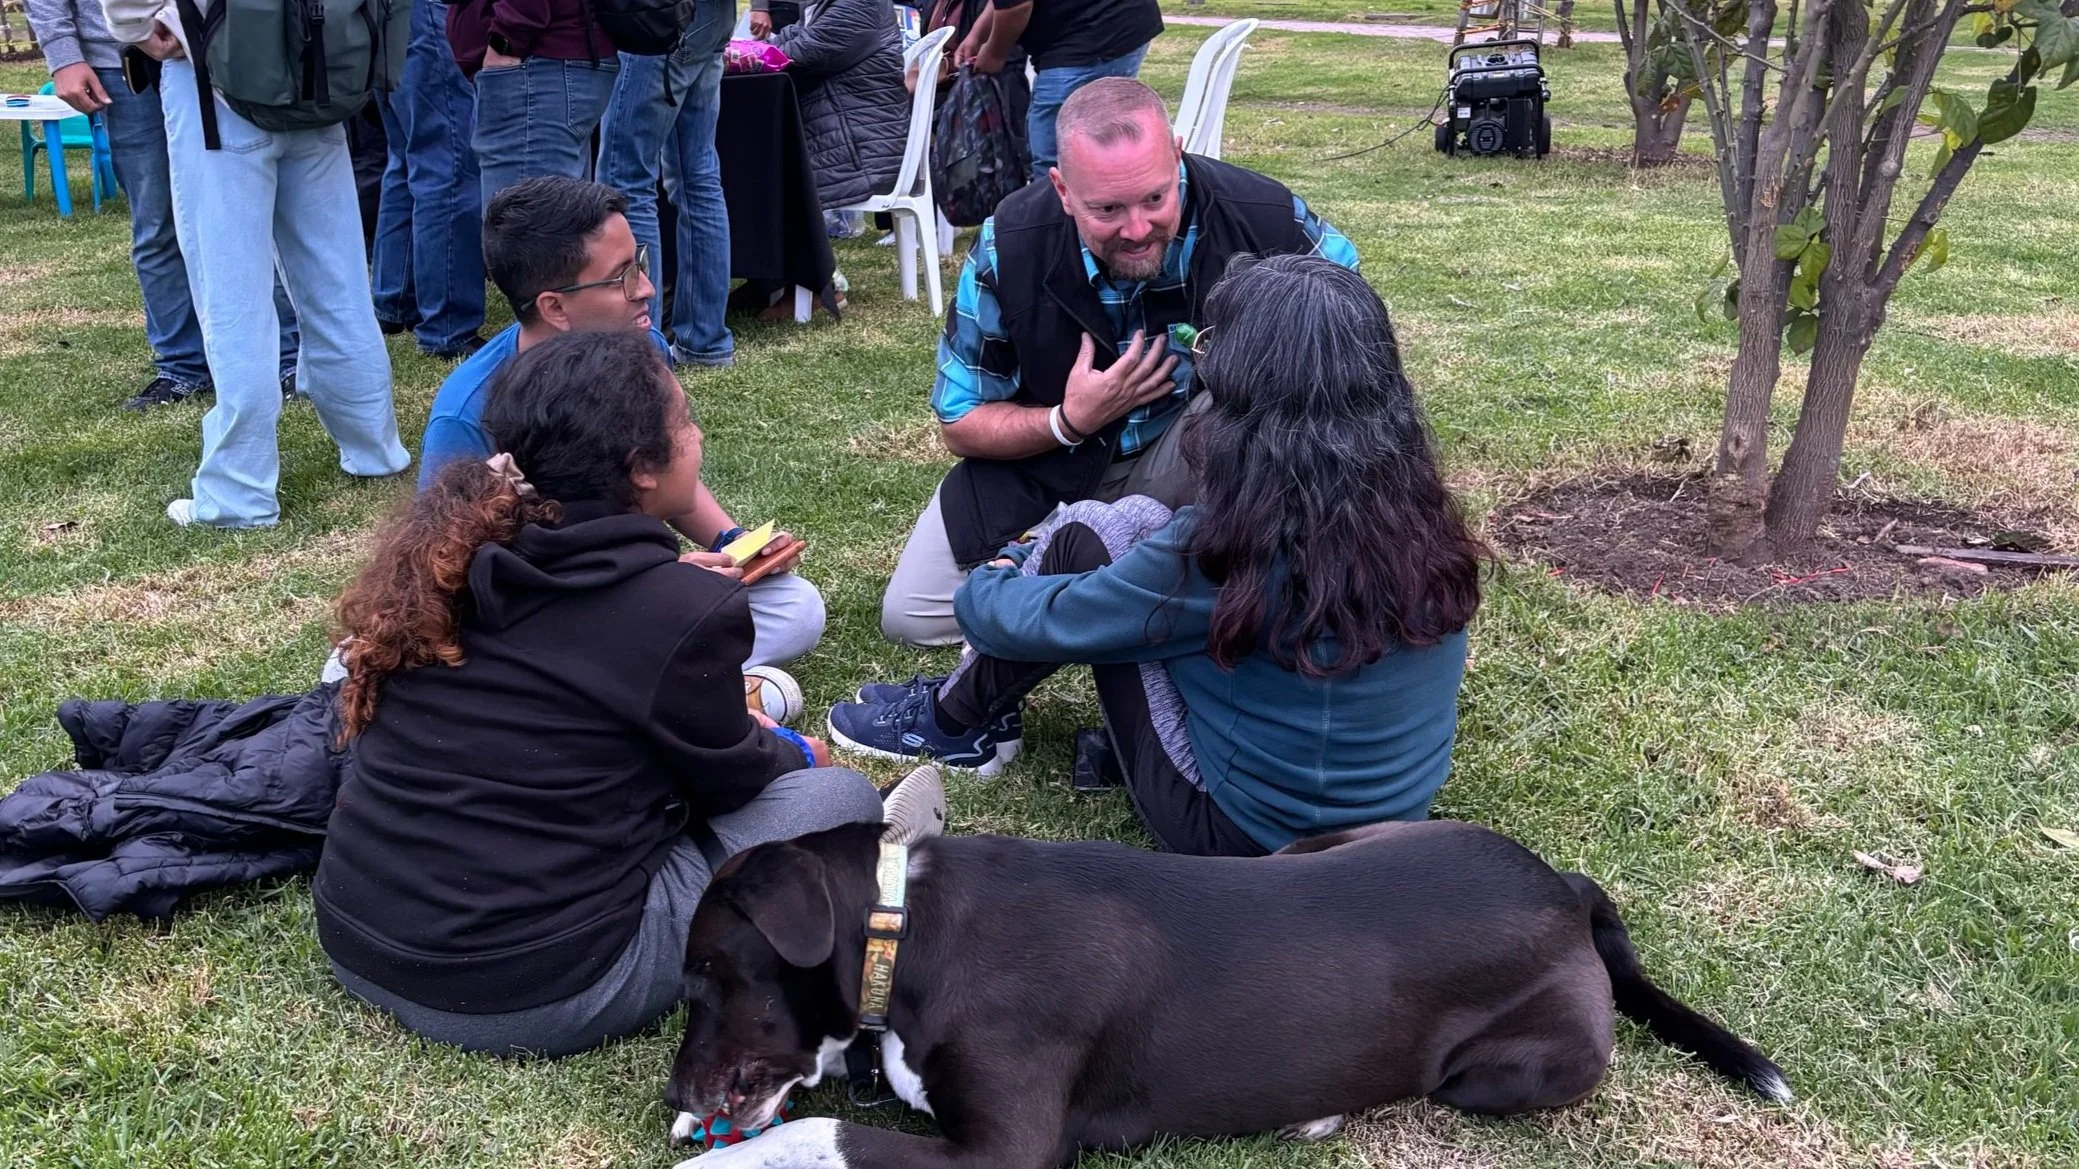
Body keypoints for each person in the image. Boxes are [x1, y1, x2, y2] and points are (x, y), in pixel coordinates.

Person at [314, 330, 944, 1057]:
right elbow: (735, 782)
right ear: (642, 469)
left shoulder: (449, 564)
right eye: (684, 420)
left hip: (359, 937)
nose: (697, 433)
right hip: (531, 988)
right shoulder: (676, 610)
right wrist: (803, 752)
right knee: (840, 801)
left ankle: (753, 709)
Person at [831, 254, 1486, 856]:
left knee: (1092, 533)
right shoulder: (1418, 516)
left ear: (1244, 398)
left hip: (1241, 841)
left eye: (1208, 356)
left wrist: (995, 575)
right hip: (1394, 829)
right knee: (1138, 525)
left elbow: (1038, 619)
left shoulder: (1230, 547)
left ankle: (951, 723)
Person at [879, 78, 1359, 648]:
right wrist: (1068, 419)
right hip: (1051, 463)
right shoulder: (1008, 243)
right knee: (914, 614)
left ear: (1176, 153)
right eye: (1107, 208)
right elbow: (959, 422)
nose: (1137, 229)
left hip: (1206, 463)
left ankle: (1120, 591)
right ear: (1061, 189)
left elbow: (1352, 345)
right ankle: (1116, 594)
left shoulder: (1266, 219)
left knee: (1222, 416)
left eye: (1156, 198)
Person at [418, 176, 826, 668]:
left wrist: (732, 543)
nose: (648, 290)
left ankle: (620, 684)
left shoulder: (642, 349)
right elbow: (451, 573)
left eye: (641, 264)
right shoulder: (466, 417)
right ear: (555, 307)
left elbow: (664, 477)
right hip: (537, 609)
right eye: (621, 278)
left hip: (631, 587)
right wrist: (649, 579)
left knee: (795, 607)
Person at [97, 0, 410, 528]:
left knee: (232, 294)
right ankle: (374, 448)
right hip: (317, 70)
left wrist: (138, 27)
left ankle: (239, 492)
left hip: (214, 78)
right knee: (338, 282)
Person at [28, 0, 298, 411]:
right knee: (158, 221)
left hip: (227, 42)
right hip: (121, 59)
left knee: (252, 209)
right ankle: (183, 367)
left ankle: (287, 358)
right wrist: (63, 55)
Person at [596, 0, 737, 369]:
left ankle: (642, 350)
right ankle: (705, 341)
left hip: (657, 17)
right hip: (708, 18)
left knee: (626, 182)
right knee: (698, 178)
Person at [370, 0, 488, 359]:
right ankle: (448, 324)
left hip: (386, 13)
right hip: (426, 13)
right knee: (447, 162)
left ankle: (396, 297)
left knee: (407, 155)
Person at [956, 0, 1161, 179]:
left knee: (1053, 157)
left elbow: (1017, 7)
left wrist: (994, 54)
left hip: (1092, 34)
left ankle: (1058, 220)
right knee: (1102, 141)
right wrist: (976, 36)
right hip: (1120, 23)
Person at [447, 0, 619, 206]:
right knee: (554, 221)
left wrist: (505, 42)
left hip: (538, 65)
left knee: (523, 223)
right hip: (552, 64)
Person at [769, 0, 909, 213]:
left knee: (753, 172)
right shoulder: (825, 4)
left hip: (860, 157)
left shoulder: (861, 3)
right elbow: (789, 38)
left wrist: (746, 57)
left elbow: (800, 53)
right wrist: (747, 50)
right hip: (842, 144)